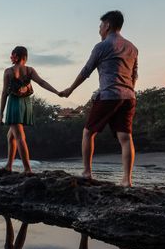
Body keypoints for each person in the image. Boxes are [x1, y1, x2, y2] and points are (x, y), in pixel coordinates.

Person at [59, 11, 139, 186]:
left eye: (100, 26)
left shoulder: (102, 46)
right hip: (129, 96)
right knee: (125, 137)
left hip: (109, 95)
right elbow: (134, 76)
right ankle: (127, 180)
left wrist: (70, 89)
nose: (99, 29)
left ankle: (87, 172)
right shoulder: (132, 47)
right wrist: (127, 89)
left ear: (107, 25)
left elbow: (86, 70)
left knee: (88, 132)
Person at [0, 46, 61, 174]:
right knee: (11, 136)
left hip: (14, 104)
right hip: (26, 104)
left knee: (20, 137)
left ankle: (27, 169)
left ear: (14, 56)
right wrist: (56, 92)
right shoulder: (30, 70)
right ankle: (9, 166)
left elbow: (4, 93)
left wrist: (1, 114)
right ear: (25, 57)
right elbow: (42, 82)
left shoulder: (8, 71)